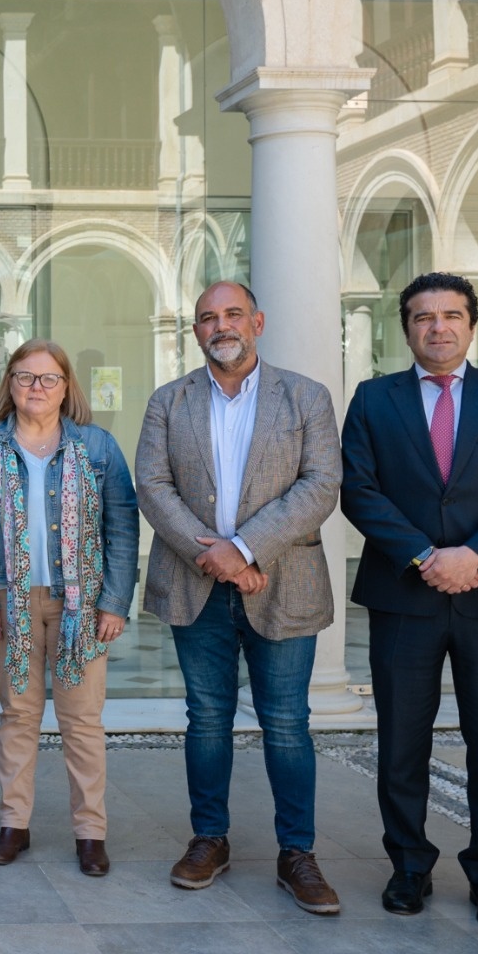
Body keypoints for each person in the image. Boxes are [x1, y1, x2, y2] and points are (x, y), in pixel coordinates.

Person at [338, 272, 478, 932]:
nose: (438, 326)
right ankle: (409, 865)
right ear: (405, 327)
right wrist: (425, 556)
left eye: (451, 314)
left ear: (471, 323)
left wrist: (476, 555)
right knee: (401, 741)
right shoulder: (374, 399)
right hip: (406, 593)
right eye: (423, 316)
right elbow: (360, 489)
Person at [135, 281, 343, 911]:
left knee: (287, 724)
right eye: (206, 318)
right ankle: (209, 839)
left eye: (231, 314)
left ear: (257, 321)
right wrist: (217, 558)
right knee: (207, 719)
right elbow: (153, 484)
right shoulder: (169, 401)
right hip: (195, 586)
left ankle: (298, 853)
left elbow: (321, 485)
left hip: (284, 584)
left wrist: (246, 549)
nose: (219, 325)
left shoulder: (305, 396)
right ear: (194, 331)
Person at [0, 339, 139, 877]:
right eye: (25, 376)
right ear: (9, 384)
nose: (37, 387)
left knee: (81, 721)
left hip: (80, 602)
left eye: (48, 378)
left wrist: (115, 603)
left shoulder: (97, 448)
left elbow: (122, 527)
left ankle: (90, 832)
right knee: (18, 716)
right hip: (11, 603)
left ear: (66, 387)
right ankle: (15, 824)